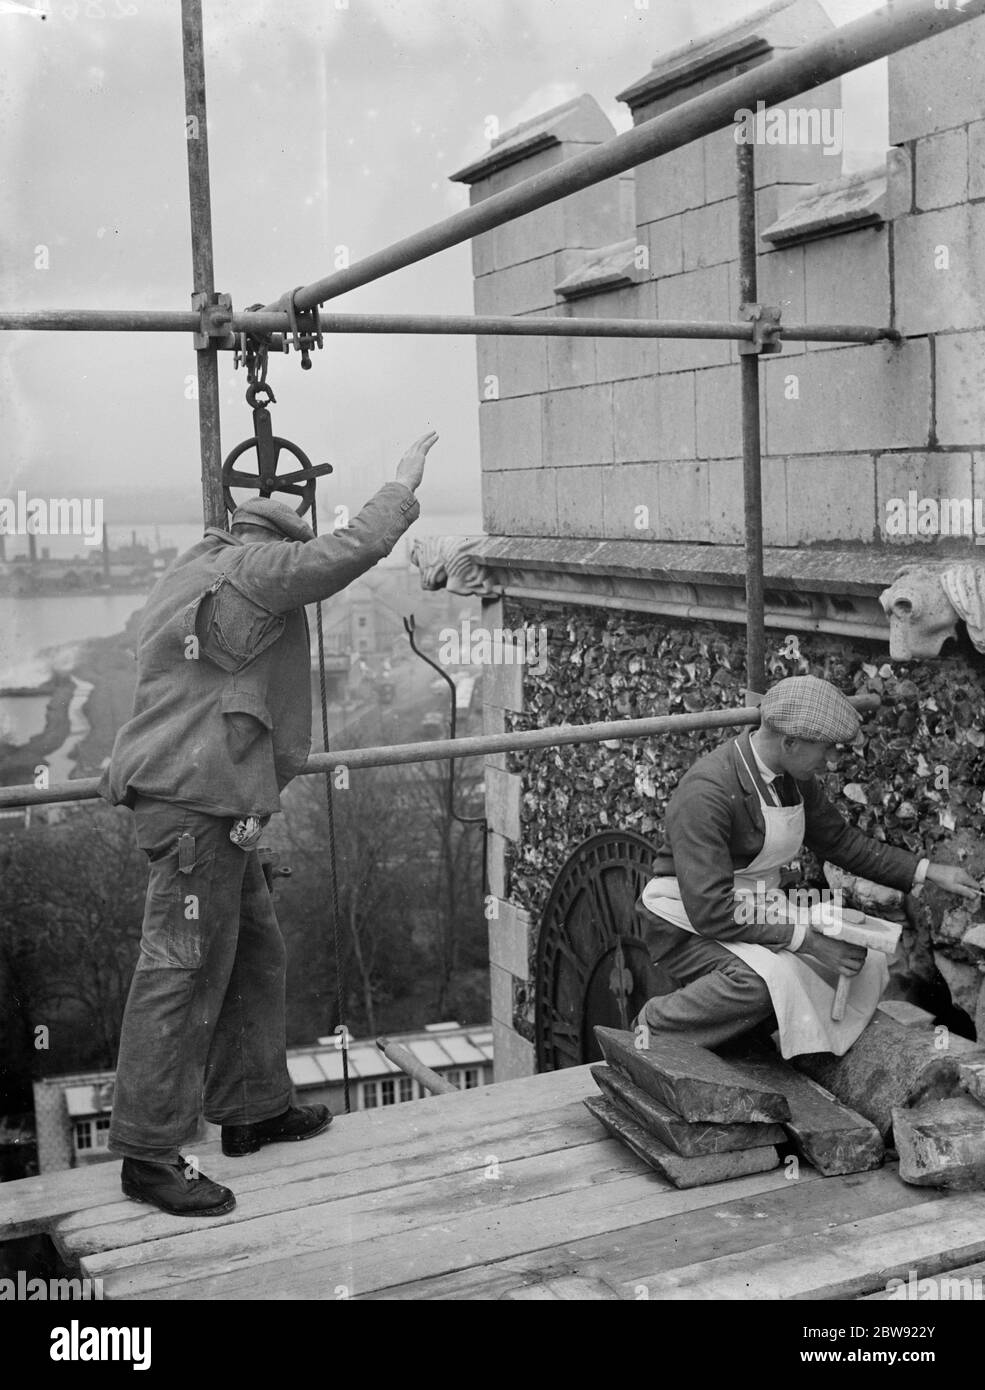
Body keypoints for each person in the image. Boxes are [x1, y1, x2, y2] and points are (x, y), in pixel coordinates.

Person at [99, 430, 438, 1216]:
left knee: (255, 950)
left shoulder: (199, 563)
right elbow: (348, 552)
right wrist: (402, 482)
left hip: (209, 800)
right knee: (178, 970)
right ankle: (147, 1154)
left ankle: (252, 1107)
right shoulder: (256, 569)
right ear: (282, 532)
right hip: (198, 807)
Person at [636, 674, 979, 1060]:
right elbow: (712, 910)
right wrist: (811, 941)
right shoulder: (707, 792)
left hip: (752, 906)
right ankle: (656, 1026)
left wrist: (928, 871)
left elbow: (841, 842)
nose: (830, 762)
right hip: (687, 919)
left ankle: (764, 1043)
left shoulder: (793, 778)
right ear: (789, 742)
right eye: (826, 749)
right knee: (762, 984)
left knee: (860, 965)